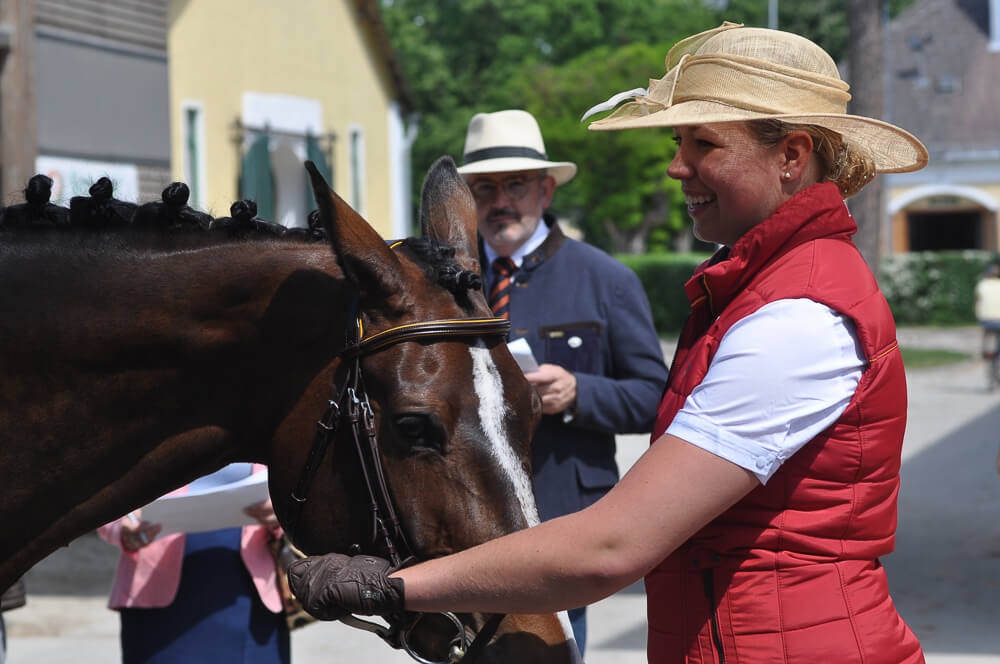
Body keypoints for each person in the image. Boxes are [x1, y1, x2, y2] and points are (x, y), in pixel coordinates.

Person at [285, 22, 930, 664]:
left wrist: (392, 586)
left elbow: (612, 547)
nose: (677, 166)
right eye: (679, 141)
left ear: (791, 157)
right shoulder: (765, 289)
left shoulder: (798, 315)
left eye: (703, 142)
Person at [454, 108, 669, 652]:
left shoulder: (606, 280)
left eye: (516, 185)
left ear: (546, 189)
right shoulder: (444, 286)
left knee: (550, 653)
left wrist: (579, 393)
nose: (500, 201)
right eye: (484, 187)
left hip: (562, 516)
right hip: (462, 514)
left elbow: (656, 399)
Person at [99, 463, 289, 664]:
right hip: (154, 594)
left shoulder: (270, 432)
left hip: (251, 595)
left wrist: (284, 512)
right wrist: (121, 527)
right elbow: (102, 495)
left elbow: (309, 496)